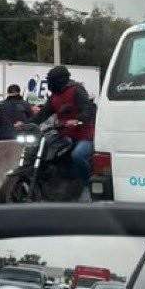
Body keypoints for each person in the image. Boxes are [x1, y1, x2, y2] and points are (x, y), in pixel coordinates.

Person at [21, 66, 96, 195]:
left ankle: (86, 186)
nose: (50, 83)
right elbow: (42, 114)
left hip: (84, 136)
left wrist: (76, 120)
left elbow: (88, 110)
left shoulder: (77, 90)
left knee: (77, 155)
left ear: (60, 80)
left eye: (52, 80)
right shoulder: (54, 97)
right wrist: (26, 124)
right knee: (43, 148)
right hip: (63, 135)